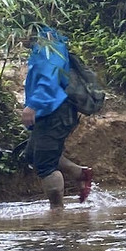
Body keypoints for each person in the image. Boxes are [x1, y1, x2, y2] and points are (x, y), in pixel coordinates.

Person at [22, 26, 92, 209]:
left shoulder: (48, 45)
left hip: (56, 111)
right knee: (32, 155)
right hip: (47, 111)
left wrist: (33, 105)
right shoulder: (42, 45)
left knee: (45, 165)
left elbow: (49, 77)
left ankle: (57, 214)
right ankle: (80, 174)